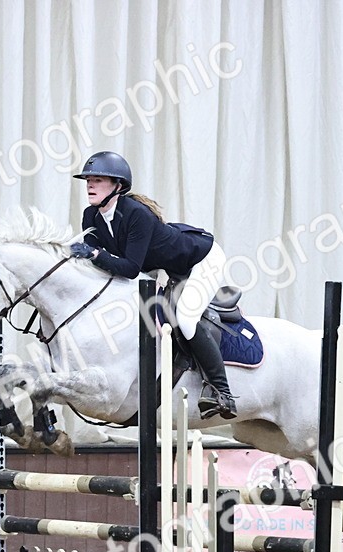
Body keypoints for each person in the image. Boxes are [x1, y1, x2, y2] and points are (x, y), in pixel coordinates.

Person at [69, 151, 236, 419]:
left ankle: (223, 393)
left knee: (186, 319)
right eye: (88, 180)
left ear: (118, 185)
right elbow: (99, 266)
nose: (90, 185)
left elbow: (130, 268)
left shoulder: (137, 214)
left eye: (97, 180)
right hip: (165, 267)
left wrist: (95, 254)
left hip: (201, 259)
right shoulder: (91, 216)